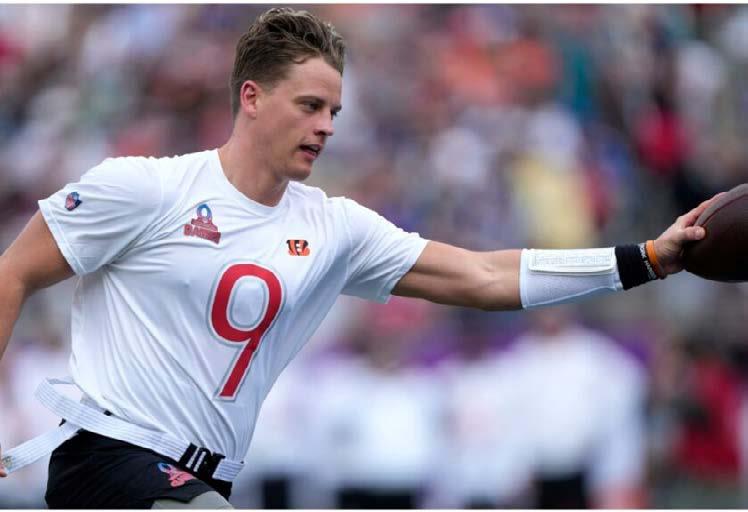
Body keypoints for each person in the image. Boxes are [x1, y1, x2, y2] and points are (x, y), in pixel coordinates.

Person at [0, 7, 717, 509]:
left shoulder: (334, 228)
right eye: (309, 105)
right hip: (109, 458)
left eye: (335, 112)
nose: (326, 127)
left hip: (205, 477)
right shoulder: (145, 188)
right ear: (252, 98)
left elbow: (483, 275)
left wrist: (645, 258)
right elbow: (13, 271)